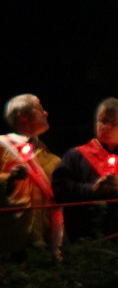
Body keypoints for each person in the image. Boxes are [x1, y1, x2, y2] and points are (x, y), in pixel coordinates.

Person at [53, 98, 118, 242]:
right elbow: (59, 191)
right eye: (103, 121)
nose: (107, 127)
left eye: (114, 123)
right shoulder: (75, 156)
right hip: (82, 239)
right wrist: (90, 189)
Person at [0, 94, 63, 258]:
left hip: (47, 242)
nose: (46, 113)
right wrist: (10, 179)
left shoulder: (53, 160)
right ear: (22, 115)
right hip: (11, 241)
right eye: (40, 109)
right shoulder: (2, 146)